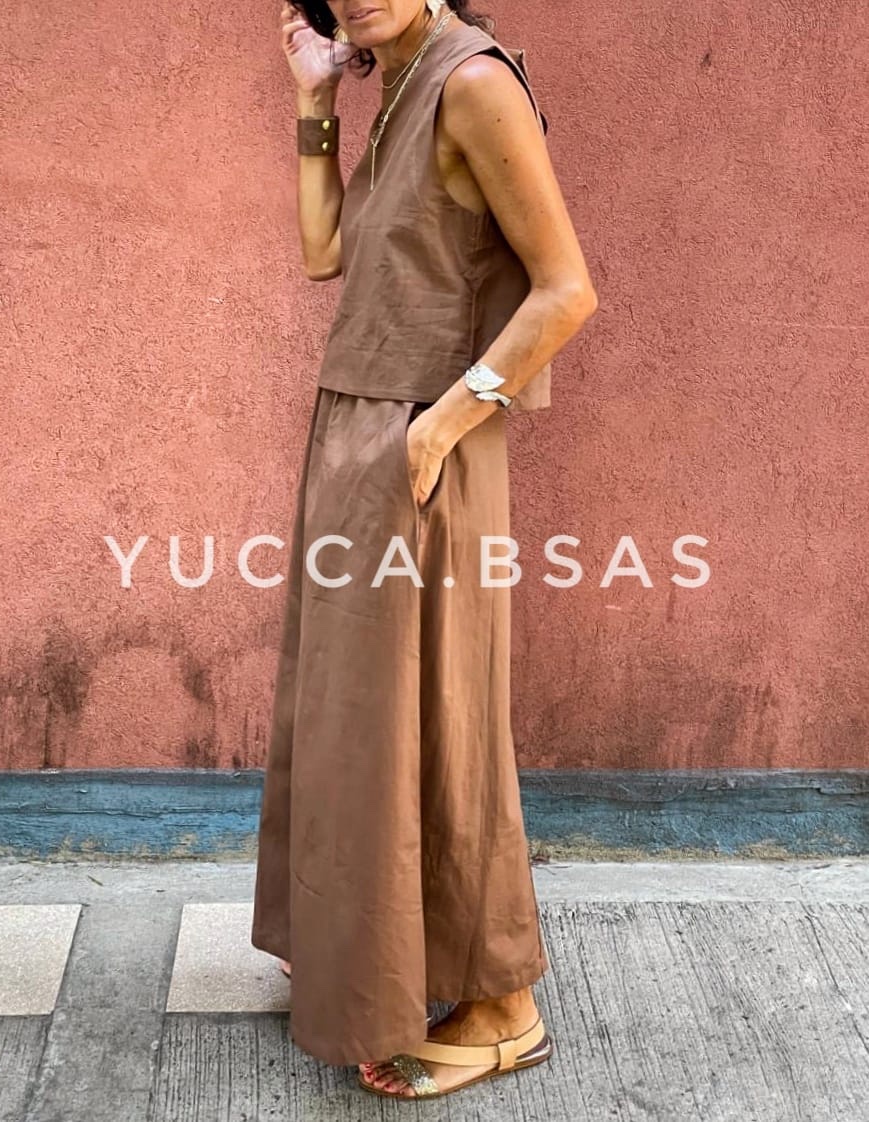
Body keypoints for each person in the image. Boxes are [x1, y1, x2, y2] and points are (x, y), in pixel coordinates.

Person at [251, 0, 597, 1100]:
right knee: (361, 722)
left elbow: (567, 290)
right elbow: (325, 253)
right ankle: (380, 960)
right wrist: (314, 100)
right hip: (359, 431)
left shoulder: (471, 82)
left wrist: (436, 430)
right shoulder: (398, 81)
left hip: (421, 442)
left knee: (444, 720)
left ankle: (502, 1009)